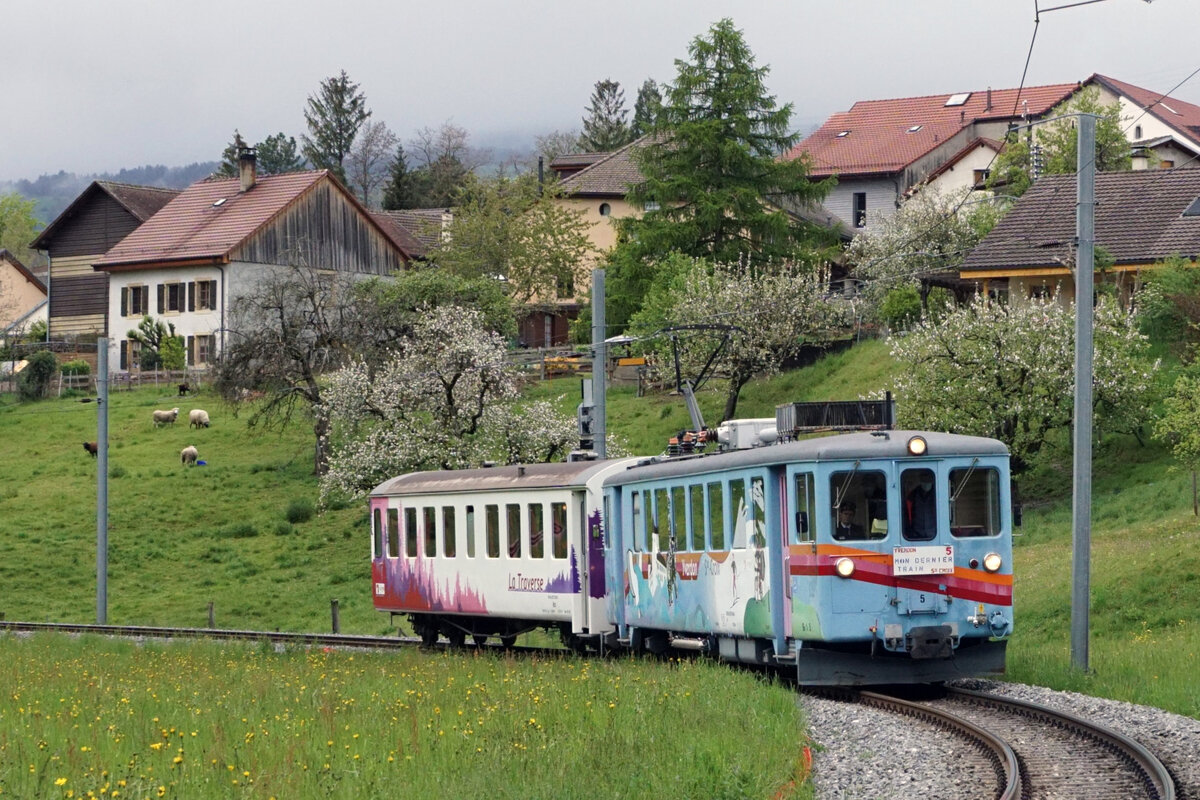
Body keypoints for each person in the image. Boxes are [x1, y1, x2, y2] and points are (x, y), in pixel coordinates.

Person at [905, 473, 937, 540]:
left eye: (928, 480)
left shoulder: (938, 493)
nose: (926, 482)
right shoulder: (912, 495)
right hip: (916, 535)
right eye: (924, 480)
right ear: (921, 480)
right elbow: (907, 515)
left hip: (935, 533)